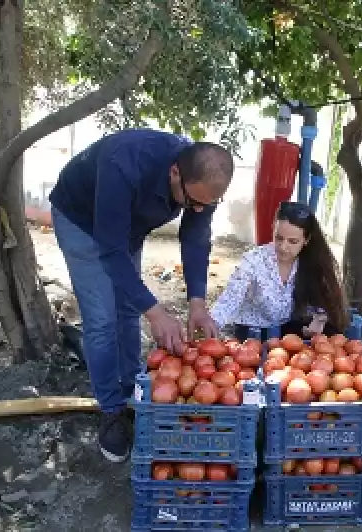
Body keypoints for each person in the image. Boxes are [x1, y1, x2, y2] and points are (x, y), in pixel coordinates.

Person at [48, 129, 234, 462]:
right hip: (82, 221)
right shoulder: (125, 162)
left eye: (204, 206)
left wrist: (196, 302)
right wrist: (156, 311)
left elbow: (195, 239)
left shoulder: (199, 186)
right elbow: (110, 249)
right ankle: (111, 410)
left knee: (127, 310)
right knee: (102, 319)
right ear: (174, 171)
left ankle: (134, 388)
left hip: (127, 228)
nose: (195, 209)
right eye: (190, 202)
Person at [211, 201, 349, 340]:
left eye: (292, 241)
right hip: (252, 334)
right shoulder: (253, 261)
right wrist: (211, 324)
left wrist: (319, 319)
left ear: (306, 240)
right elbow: (229, 299)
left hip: (288, 331)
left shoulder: (311, 263)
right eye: (279, 238)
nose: (283, 247)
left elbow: (326, 301)